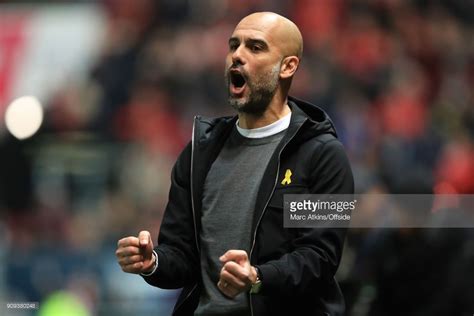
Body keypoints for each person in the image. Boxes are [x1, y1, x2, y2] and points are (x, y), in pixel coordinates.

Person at [115, 11, 353, 316]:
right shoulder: (199, 153)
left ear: (288, 66)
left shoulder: (322, 155)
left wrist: (257, 278)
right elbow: (183, 257)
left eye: (255, 47)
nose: (236, 56)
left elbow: (319, 258)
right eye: (233, 45)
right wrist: (153, 263)